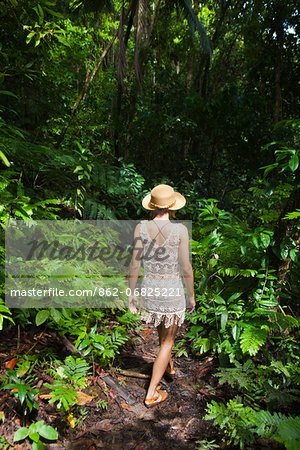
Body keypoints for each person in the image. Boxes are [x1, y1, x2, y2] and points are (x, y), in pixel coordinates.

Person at [128, 184, 195, 408]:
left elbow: (135, 263)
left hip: (151, 290)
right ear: (172, 207)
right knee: (168, 341)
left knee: (162, 335)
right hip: (171, 292)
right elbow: (186, 267)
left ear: (152, 206)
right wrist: (191, 295)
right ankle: (151, 393)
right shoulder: (180, 231)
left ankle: (169, 367)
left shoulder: (140, 228)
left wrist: (131, 293)